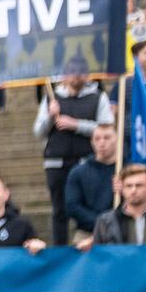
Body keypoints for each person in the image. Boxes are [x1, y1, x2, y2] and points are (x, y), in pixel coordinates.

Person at [33, 58, 114, 245]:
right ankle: (60, 249)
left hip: (87, 160)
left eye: (80, 72)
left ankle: (93, 242)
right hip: (56, 160)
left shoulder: (98, 97)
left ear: (87, 75)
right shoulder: (51, 98)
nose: (76, 76)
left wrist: (76, 125)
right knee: (59, 209)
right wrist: (51, 117)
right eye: (71, 71)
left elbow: (106, 127)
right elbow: (38, 131)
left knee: (87, 207)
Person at [80, 165, 146, 249]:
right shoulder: (105, 221)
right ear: (122, 189)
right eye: (129, 186)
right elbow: (99, 258)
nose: (133, 190)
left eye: (139, 185)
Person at [62, 124, 120, 243]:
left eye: (107, 138)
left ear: (117, 139)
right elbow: (72, 206)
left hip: (122, 230)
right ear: (92, 142)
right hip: (87, 232)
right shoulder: (78, 172)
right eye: (97, 138)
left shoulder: (126, 171)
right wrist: (101, 224)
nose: (102, 143)